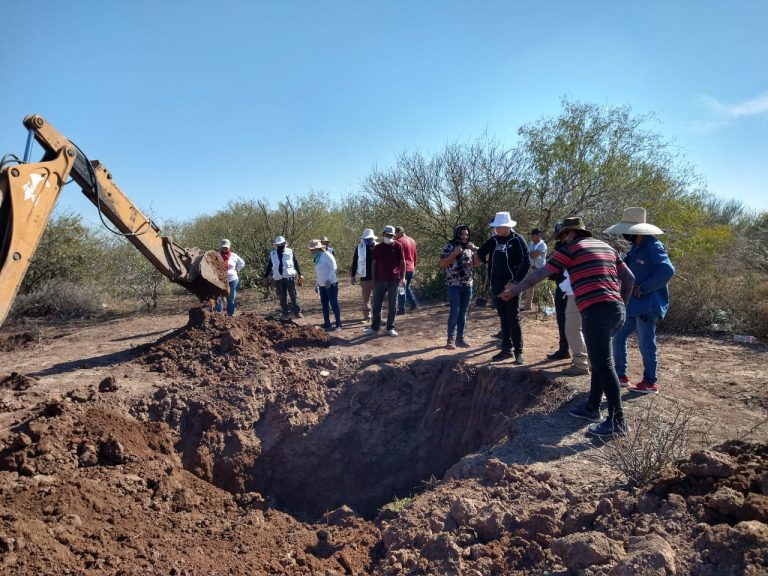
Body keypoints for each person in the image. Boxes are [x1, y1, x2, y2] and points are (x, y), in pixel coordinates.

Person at [500, 216, 635, 438]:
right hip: (615, 310)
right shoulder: (606, 247)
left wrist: (514, 291)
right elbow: (629, 279)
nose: (562, 241)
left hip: (596, 310)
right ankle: (592, 407)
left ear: (570, 234)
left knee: (604, 363)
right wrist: (621, 305)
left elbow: (540, 274)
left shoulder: (571, 249)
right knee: (599, 359)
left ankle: (617, 420)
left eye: (563, 236)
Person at [604, 207, 675, 394]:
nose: (625, 234)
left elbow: (667, 271)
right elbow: (624, 268)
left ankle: (650, 382)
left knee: (646, 342)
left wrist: (643, 288)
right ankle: (620, 376)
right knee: (618, 336)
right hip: (633, 306)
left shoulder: (653, 247)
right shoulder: (636, 247)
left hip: (648, 305)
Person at [476, 211, 529, 364]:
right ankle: (506, 349)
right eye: (495, 227)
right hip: (496, 285)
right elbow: (481, 252)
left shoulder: (518, 240)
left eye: (499, 227)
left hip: (511, 286)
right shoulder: (494, 240)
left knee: (513, 317)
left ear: (507, 226)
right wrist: (484, 261)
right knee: (503, 317)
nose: (497, 229)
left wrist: (514, 281)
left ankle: (519, 352)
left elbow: (525, 263)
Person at [439, 225, 480, 349]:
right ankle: (450, 340)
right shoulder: (449, 246)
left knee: (463, 313)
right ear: (457, 234)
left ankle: (460, 339)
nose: (464, 237)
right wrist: (454, 254)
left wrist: (475, 251)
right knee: (454, 312)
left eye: (466, 234)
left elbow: (476, 265)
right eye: (462, 234)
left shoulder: (469, 247)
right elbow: (442, 264)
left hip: (468, 285)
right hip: (454, 285)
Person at [363, 225, 405, 337]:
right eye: (387, 235)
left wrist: (403, 277)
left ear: (393, 236)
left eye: (391, 235)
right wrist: (373, 279)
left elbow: (402, 262)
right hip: (380, 280)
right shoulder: (378, 247)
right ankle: (374, 328)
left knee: (392, 305)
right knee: (376, 304)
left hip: (394, 280)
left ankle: (390, 327)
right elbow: (374, 264)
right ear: (383, 234)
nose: (389, 237)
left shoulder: (398, 246)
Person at [263, 235, 304, 319]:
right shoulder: (273, 253)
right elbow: (269, 265)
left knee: (293, 295)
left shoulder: (290, 251)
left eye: (281, 244)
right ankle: (285, 313)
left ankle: (297, 312)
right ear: (276, 245)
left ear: (285, 243)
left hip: (289, 276)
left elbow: (295, 262)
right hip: (278, 277)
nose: (280, 246)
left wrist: (300, 273)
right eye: (278, 244)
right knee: (282, 296)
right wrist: (266, 276)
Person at [547, 223, 571, 360]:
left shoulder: (569, 248)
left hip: (571, 289)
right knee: (561, 319)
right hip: (561, 285)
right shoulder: (559, 247)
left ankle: (578, 354)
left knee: (572, 321)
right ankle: (564, 349)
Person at [559, 270, 590, 375]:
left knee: (573, 328)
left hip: (578, 290)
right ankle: (591, 362)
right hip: (595, 290)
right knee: (589, 327)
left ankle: (581, 364)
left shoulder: (573, 252)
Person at [309, 239, 342, 331]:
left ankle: (338, 324)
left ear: (318, 249)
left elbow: (334, 267)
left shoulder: (327, 255)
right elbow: (319, 272)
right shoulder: (317, 257)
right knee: (324, 304)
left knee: (333, 303)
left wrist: (328, 279)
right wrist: (317, 284)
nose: (311, 251)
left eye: (312, 249)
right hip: (322, 284)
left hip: (331, 283)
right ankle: (327, 323)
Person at [350, 228, 377, 322]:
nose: (368, 240)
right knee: (366, 299)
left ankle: (377, 317)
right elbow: (355, 262)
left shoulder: (378, 247)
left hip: (378, 277)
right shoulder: (359, 247)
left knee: (378, 298)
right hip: (365, 277)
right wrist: (352, 276)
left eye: (369, 239)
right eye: (366, 239)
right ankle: (367, 317)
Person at [215, 239, 245, 316]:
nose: (225, 248)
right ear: (221, 247)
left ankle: (230, 315)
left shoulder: (234, 256)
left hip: (233, 279)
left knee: (231, 298)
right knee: (219, 297)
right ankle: (218, 315)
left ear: (229, 247)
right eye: (223, 247)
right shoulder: (216, 255)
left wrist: (236, 270)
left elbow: (242, 263)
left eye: (226, 247)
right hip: (220, 280)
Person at [394, 226, 420, 314]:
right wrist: (414, 267)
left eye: (395, 234)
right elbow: (415, 255)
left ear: (398, 233)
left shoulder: (398, 242)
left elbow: (397, 258)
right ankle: (414, 304)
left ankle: (401, 309)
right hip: (411, 267)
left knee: (401, 288)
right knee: (406, 287)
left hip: (403, 269)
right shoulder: (412, 240)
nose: (394, 236)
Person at [521, 228, 548, 311]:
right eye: (531, 235)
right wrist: (530, 253)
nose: (531, 236)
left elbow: (533, 255)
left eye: (533, 235)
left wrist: (530, 253)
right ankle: (527, 305)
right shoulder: (530, 244)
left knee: (544, 287)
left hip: (540, 269)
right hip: (531, 268)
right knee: (529, 287)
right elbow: (526, 254)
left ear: (538, 235)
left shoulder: (542, 245)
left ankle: (552, 304)